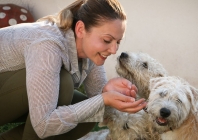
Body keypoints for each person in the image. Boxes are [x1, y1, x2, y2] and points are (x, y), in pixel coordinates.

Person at [0, 0, 147, 139]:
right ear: (80, 29)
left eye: (118, 42)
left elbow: (99, 103)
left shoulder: (90, 51)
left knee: (90, 112)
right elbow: (43, 125)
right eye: (107, 40)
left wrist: (107, 91)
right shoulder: (47, 45)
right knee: (64, 84)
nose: (114, 50)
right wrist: (103, 99)